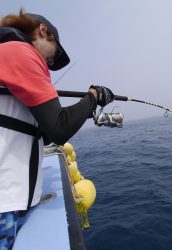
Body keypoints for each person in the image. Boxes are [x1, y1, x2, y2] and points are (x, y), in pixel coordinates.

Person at [0, 9, 114, 249]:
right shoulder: (20, 51)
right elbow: (59, 128)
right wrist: (93, 97)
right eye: (53, 57)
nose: (49, 64)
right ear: (43, 31)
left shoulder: (6, 51)